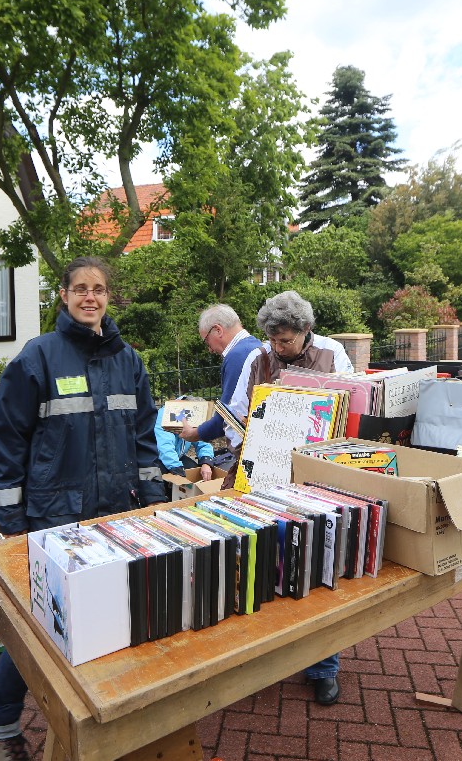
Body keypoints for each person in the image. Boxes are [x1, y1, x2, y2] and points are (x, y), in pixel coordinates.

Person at [0, 257, 165, 761]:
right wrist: (12, 521)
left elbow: (144, 439)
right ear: (63, 295)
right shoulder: (38, 357)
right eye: (80, 288)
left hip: (117, 514)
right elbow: (6, 440)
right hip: (55, 516)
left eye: (98, 289)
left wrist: (153, 507)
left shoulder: (128, 361)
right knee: (41, 626)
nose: (90, 297)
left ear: (108, 297)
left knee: (111, 614)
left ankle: (103, 714)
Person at [226, 289, 352, 706]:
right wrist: (249, 443)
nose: (278, 348)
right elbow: (236, 413)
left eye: (286, 341)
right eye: (273, 340)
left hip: (315, 482)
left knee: (318, 566)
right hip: (263, 477)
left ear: (306, 330)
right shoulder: (258, 358)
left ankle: (324, 667)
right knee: (262, 563)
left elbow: (352, 416)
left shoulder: (333, 354)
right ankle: (266, 652)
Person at [178, 304, 263, 456]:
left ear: (218, 330)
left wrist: (195, 433)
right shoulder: (257, 345)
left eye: (206, 341)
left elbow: (228, 415)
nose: (210, 349)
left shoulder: (237, 356)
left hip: (249, 448)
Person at [155, 406, 214, 481]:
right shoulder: (165, 415)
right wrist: (178, 469)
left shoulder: (194, 414)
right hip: (158, 458)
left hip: (178, 456)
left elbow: (202, 441)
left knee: (196, 472)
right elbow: (165, 446)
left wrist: (206, 462)